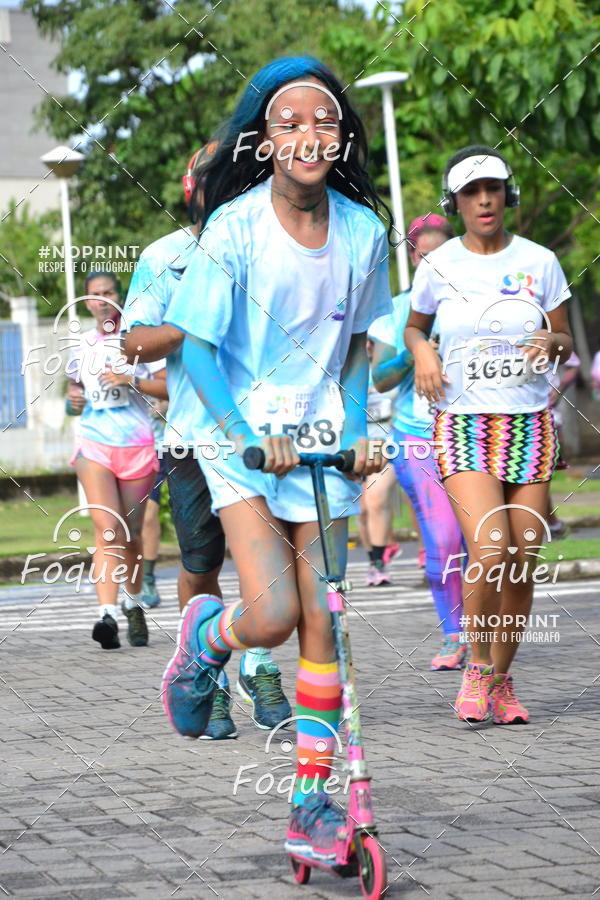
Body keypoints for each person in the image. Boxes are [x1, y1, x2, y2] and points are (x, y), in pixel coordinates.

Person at [161, 56, 391, 860]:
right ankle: (208, 637)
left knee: (323, 619)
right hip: (242, 441)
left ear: (342, 137)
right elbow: (196, 349)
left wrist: (355, 425)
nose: (308, 136)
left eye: (324, 121)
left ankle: (309, 805)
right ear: (264, 142)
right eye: (288, 124)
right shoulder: (234, 229)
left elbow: (358, 342)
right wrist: (246, 435)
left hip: (320, 442)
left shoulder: (364, 233)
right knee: (274, 615)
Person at [122, 147, 291, 740]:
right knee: (201, 563)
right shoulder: (163, 257)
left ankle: (259, 666)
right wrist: (190, 324)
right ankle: (207, 675)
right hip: (192, 436)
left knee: (266, 565)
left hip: (265, 433)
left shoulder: (273, 249)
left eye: (239, 179)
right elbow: (134, 343)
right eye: (215, 181)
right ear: (191, 189)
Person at [405, 145, 573, 724]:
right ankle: (476, 666)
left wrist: (553, 343)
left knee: (522, 557)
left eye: (493, 189)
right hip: (463, 424)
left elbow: (563, 338)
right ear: (454, 202)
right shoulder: (438, 264)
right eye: (471, 192)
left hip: (528, 424)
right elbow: (414, 327)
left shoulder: (540, 261)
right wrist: (423, 352)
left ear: (508, 195)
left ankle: (502, 681)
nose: (483, 200)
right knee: (492, 547)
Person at [370, 214, 468, 671]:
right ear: (413, 257)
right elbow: (381, 378)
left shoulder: (472, 302)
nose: (434, 263)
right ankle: (454, 634)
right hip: (417, 437)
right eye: (425, 256)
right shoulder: (397, 311)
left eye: (442, 255)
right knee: (444, 539)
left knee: (480, 541)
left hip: (474, 432)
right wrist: (419, 348)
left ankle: (484, 633)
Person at [66, 270, 167, 650]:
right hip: (94, 445)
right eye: (95, 294)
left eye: (108, 293)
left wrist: (132, 381)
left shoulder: (139, 340)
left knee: (132, 534)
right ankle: (106, 615)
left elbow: (168, 386)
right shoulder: (81, 345)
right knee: (107, 527)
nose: (102, 300)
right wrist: (73, 400)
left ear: (119, 297)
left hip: (137, 445)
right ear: (87, 301)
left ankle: (132, 602)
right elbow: (74, 394)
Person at [358, 337, 400, 586]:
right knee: (362, 511)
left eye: (370, 341)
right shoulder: (344, 372)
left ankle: (378, 564)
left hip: (388, 446)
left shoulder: (390, 372)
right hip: (357, 447)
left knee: (376, 499)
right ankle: (376, 554)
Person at [547, 350, 580, 538]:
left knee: (537, 475)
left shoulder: (545, 337)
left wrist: (558, 390)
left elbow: (574, 364)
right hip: (494, 419)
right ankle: (552, 524)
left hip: (546, 418)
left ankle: (552, 523)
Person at [140, 398, 169, 608]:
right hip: (114, 445)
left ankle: (147, 578)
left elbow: (170, 395)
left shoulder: (153, 372)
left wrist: (162, 408)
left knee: (149, 514)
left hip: (153, 448)